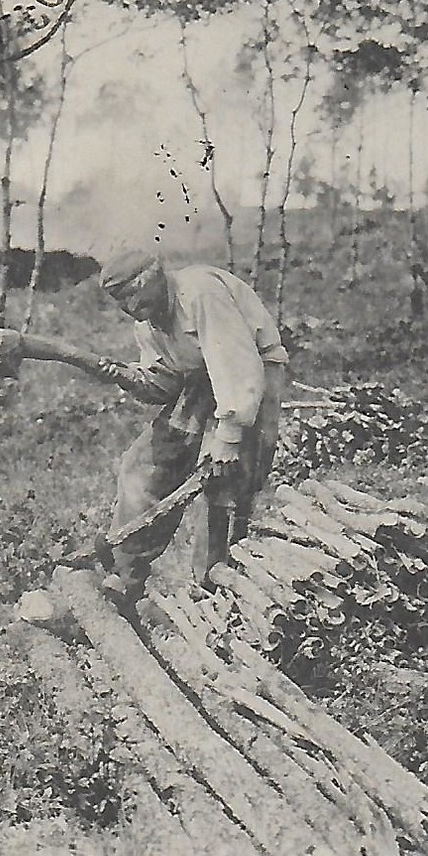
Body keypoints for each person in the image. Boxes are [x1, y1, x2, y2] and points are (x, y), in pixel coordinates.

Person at [97, 249, 288, 614]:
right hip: (199, 381)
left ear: (156, 278)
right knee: (144, 468)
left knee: (226, 486)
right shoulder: (148, 322)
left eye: (137, 296)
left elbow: (238, 364)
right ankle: (126, 577)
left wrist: (229, 434)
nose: (133, 308)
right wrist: (128, 378)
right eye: (123, 303)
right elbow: (165, 384)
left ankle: (218, 592)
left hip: (252, 375)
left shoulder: (200, 294)